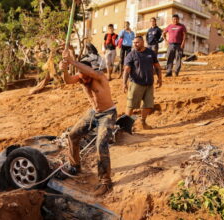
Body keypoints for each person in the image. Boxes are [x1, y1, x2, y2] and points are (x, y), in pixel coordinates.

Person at [59, 49, 116, 196]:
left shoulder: (99, 76)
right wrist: (64, 69)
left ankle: (105, 181)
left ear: (89, 71)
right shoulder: (80, 77)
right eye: (80, 76)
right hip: (93, 113)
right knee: (72, 136)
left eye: (85, 76)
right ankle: (75, 166)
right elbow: (67, 80)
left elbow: (90, 72)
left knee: (101, 143)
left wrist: (71, 61)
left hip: (108, 113)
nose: (83, 79)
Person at [123, 36, 162, 130]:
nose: (135, 44)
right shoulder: (131, 55)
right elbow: (127, 70)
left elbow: (157, 66)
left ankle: (143, 122)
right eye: (134, 43)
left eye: (137, 42)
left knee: (148, 105)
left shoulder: (150, 53)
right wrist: (124, 83)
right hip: (136, 83)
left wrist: (160, 78)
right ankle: (126, 126)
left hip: (149, 83)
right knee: (131, 105)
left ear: (142, 42)